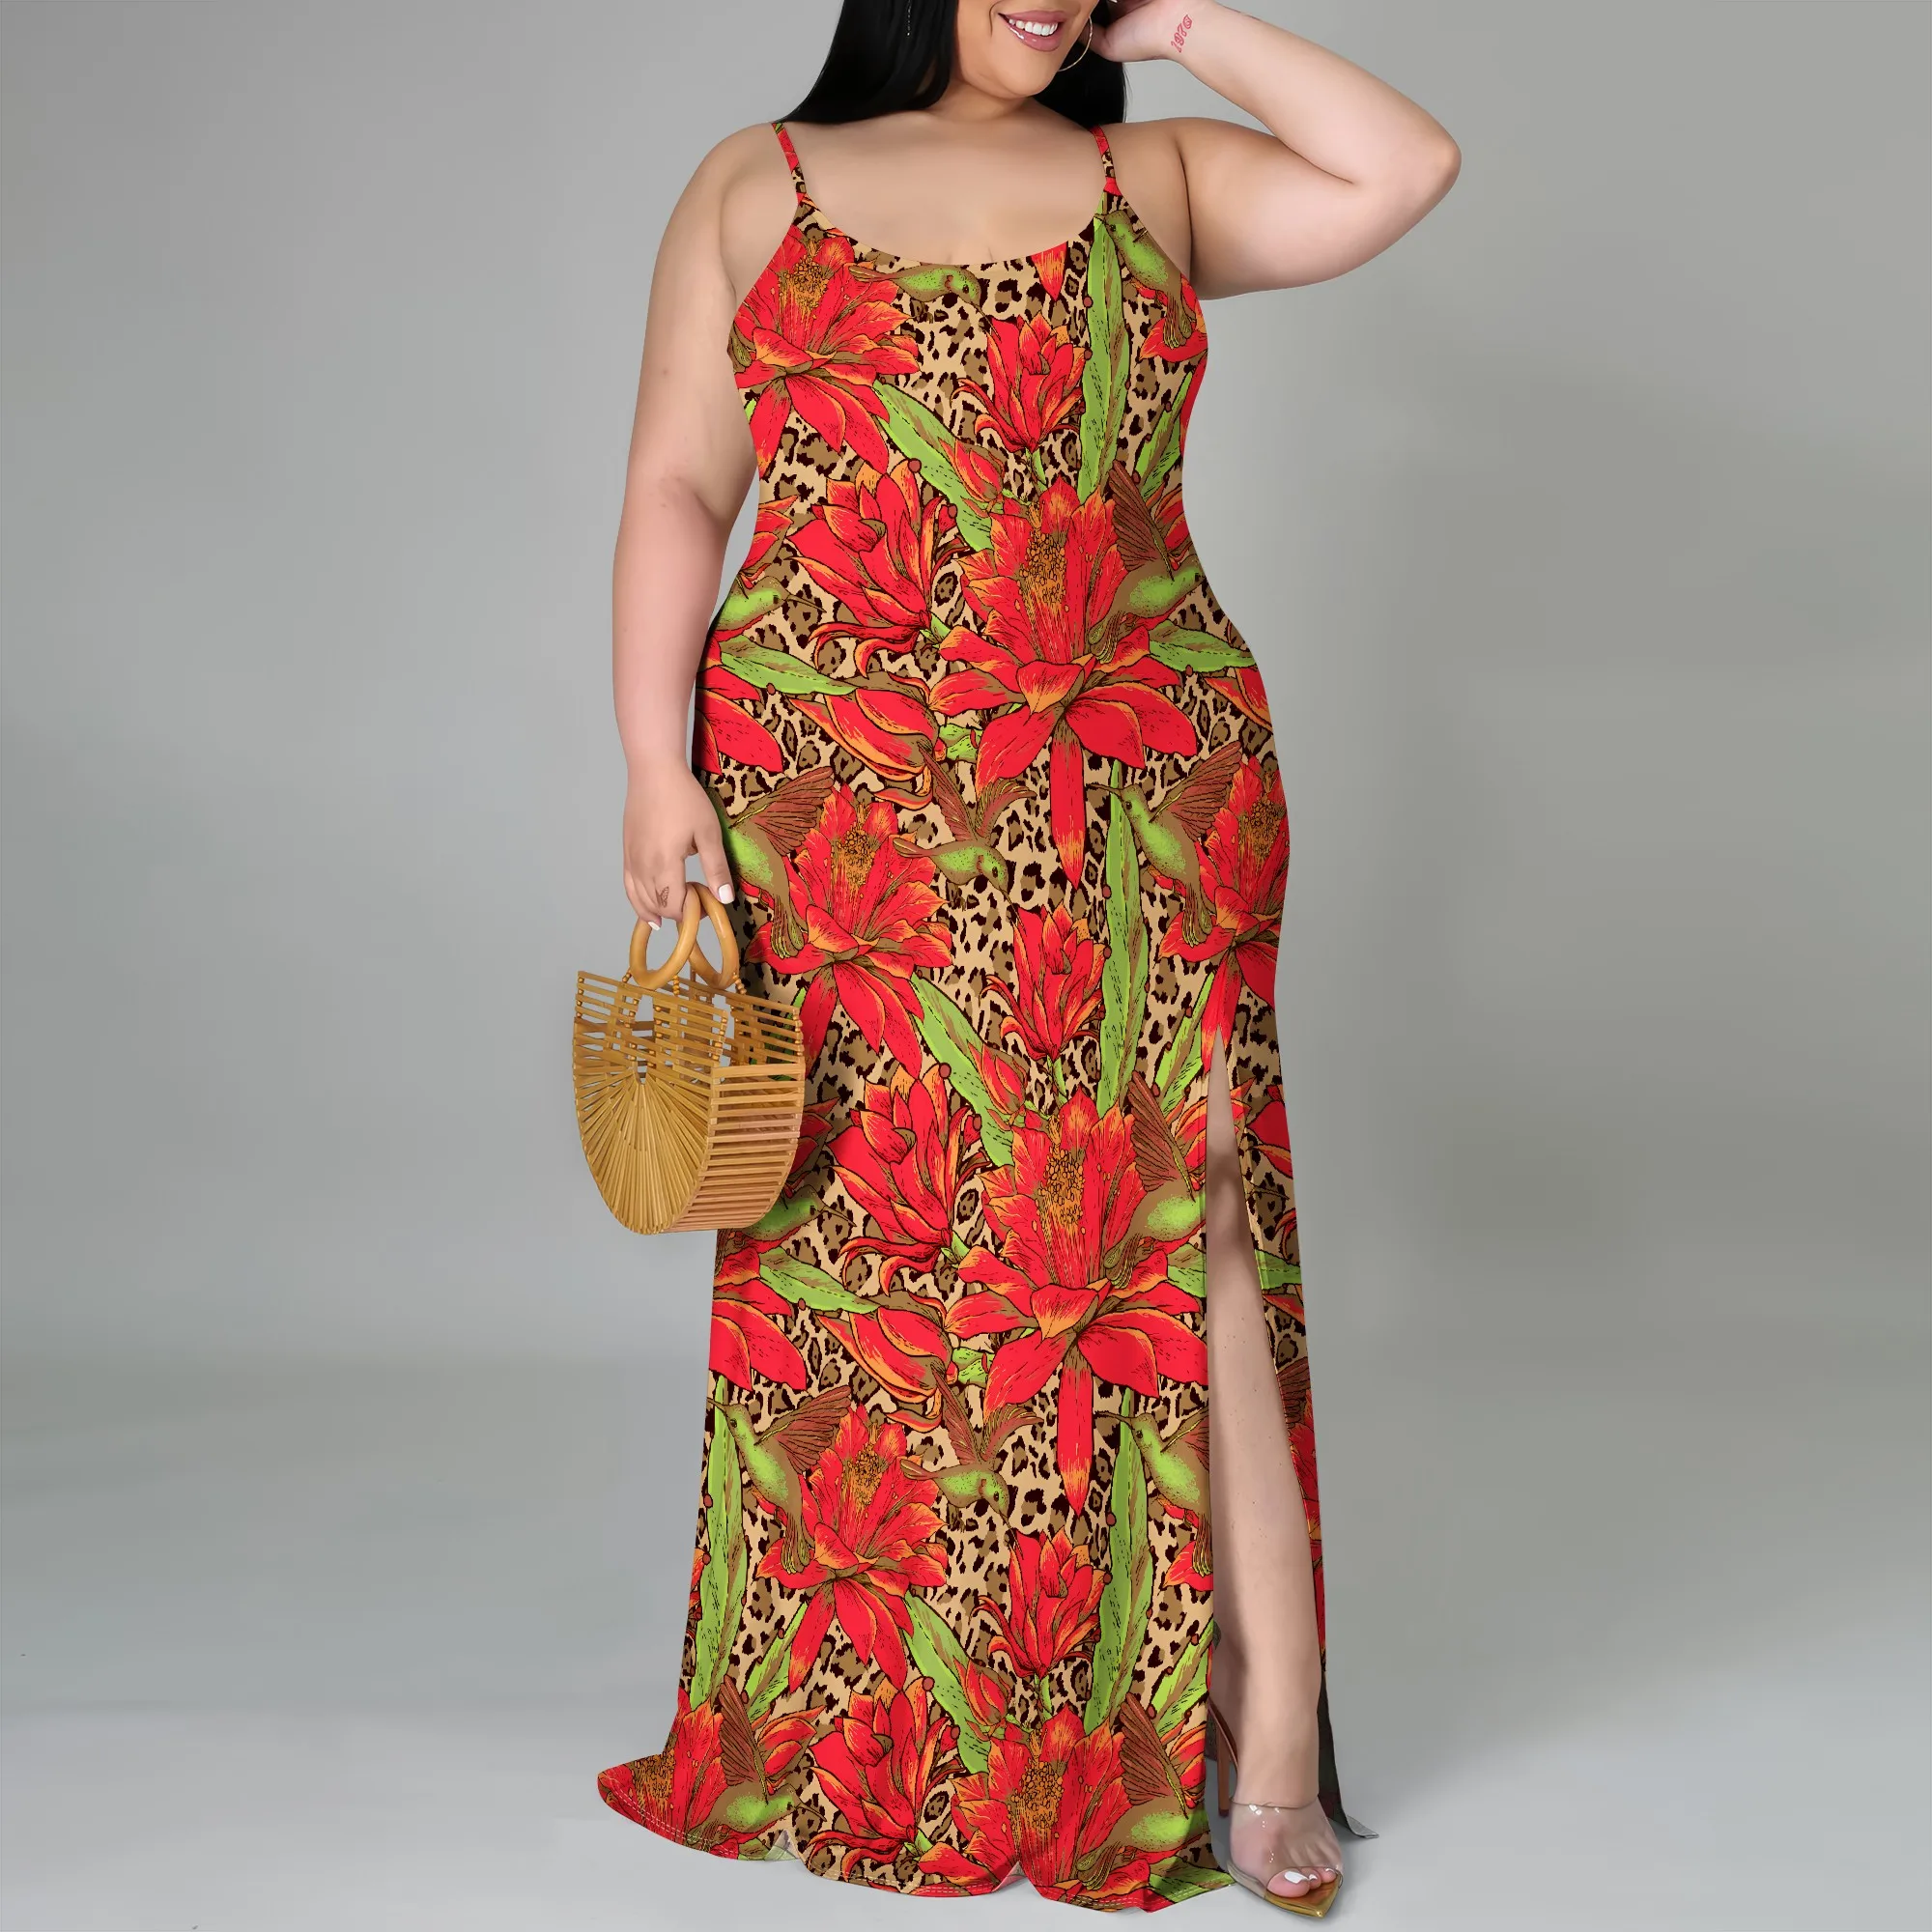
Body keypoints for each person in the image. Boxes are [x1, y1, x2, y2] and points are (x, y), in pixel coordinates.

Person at [595, 1, 1457, 1913]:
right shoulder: (760, 184)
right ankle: (901, 1723)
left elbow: (1402, 167)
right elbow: (679, 486)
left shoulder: (1146, 173)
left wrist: (1190, 25)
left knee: (1183, 1216)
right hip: (836, 800)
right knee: (876, 1255)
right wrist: (654, 763)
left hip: (1137, 776)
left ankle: (1273, 1735)